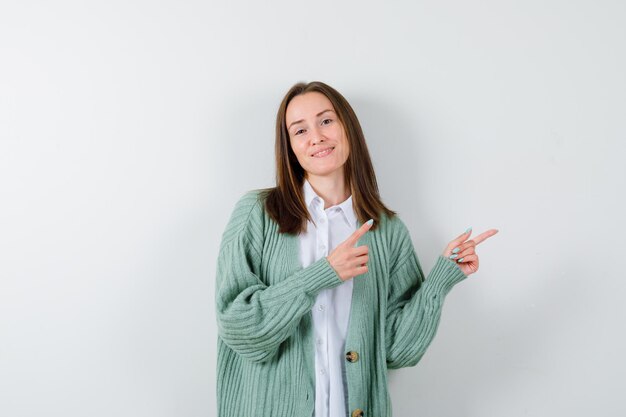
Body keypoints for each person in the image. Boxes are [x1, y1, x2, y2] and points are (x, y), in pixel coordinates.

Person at [215, 81, 498, 417]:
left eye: (326, 121)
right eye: (300, 130)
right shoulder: (256, 213)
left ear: (347, 127)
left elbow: (397, 351)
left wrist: (441, 280)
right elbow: (238, 328)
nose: (316, 137)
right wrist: (320, 276)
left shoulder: (388, 231)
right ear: (290, 147)